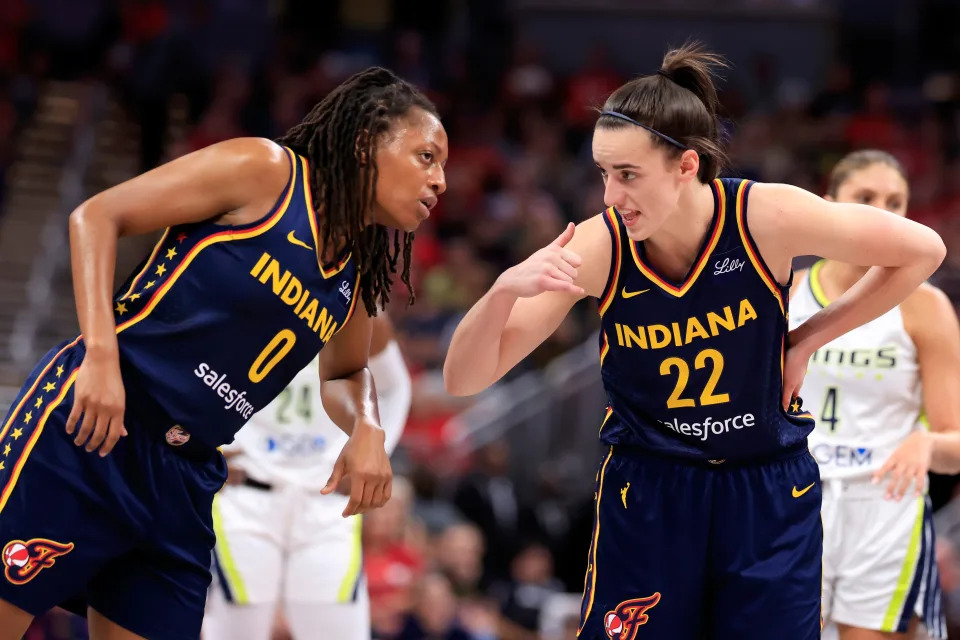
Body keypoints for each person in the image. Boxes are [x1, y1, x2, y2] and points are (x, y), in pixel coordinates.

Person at [442, 42, 945, 640]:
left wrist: (808, 338)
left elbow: (923, 250)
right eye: (603, 174)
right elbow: (463, 378)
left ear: (686, 166)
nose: (610, 196)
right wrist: (500, 292)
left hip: (765, 487)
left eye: (627, 175)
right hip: (653, 489)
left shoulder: (764, 217)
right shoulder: (600, 247)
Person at [0, 66, 447, 640]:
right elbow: (96, 217)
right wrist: (101, 356)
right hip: (98, 428)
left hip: (185, 476)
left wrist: (367, 426)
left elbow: (347, 371)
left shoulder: (359, 271)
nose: (439, 182)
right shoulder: (265, 172)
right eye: (426, 157)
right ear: (366, 144)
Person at [791, 150, 960, 640]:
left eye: (895, 202)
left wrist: (926, 443)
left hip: (886, 503)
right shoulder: (783, 295)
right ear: (829, 207)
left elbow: (954, 445)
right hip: (795, 497)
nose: (882, 213)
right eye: (865, 198)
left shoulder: (926, 307)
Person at [202, 313, 412, 640]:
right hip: (248, 495)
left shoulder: (358, 305)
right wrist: (206, 441)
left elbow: (395, 386)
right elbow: (197, 369)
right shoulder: (245, 290)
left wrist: (375, 450)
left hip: (325, 500)